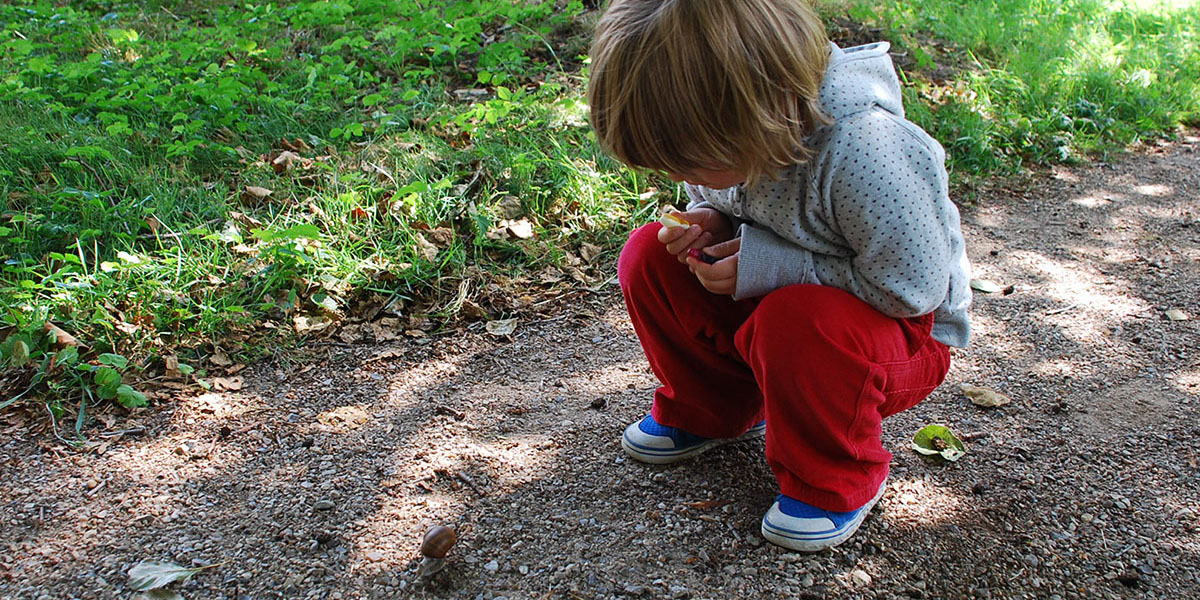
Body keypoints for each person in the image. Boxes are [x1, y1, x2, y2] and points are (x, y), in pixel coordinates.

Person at [587, 0, 972, 551]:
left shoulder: (866, 149)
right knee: (649, 253)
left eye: (692, 164)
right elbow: (744, 203)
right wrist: (713, 223)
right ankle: (714, 407)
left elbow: (910, 291)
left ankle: (836, 478)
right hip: (789, 316)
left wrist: (773, 267)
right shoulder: (740, 136)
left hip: (902, 335)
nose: (679, 177)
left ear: (762, 116)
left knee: (795, 320)